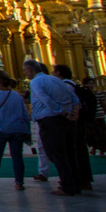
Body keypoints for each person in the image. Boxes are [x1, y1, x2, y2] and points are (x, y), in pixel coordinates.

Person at [25, 60, 81, 196]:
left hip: (51, 120)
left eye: (25, 71)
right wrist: (74, 111)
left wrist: (63, 111)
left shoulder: (35, 82)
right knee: (68, 153)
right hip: (65, 121)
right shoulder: (54, 80)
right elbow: (74, 98)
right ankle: (75, 185)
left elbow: (46, 100)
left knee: (56, 153)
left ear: (31, 71)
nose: (24, 73)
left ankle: (67, 186)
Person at [57, 66, 96, 190]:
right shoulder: (74, 86)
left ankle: (78, 179)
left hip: (72, 122)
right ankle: (82, 178)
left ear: (59, 74)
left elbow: (68, 103)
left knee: (74, 150)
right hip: (77, 122)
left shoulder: (65, 86)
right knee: (79, 150)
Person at [81, 77, 106, 155]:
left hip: (99, 116)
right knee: (91, 134)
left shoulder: (98, 94)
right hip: (90, 117)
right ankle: (93, 147)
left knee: (102, 134)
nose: (91, 85)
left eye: (92, 83)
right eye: (89, 83)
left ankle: (102, 151)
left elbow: (103, 105)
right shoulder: (83, 95)